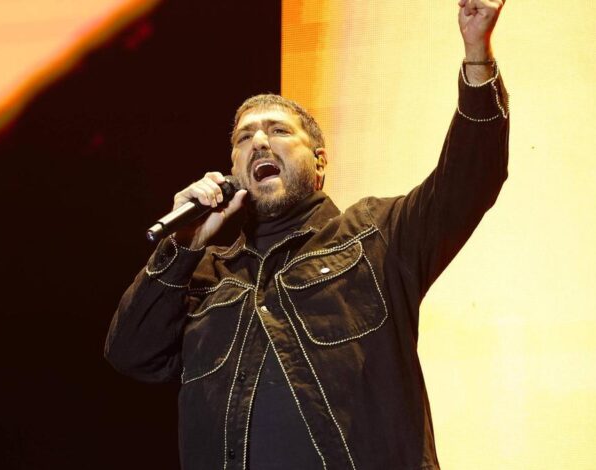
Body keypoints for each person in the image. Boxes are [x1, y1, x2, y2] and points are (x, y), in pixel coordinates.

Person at [105, 0, 508, 468]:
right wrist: (184, 246)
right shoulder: (206, 276)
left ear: (319, 162)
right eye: (244, 138)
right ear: (232, 170)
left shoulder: (375, 236)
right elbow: (130, 353)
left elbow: (469, 179)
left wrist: (477, 54)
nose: (259, 142)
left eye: (278, 130)